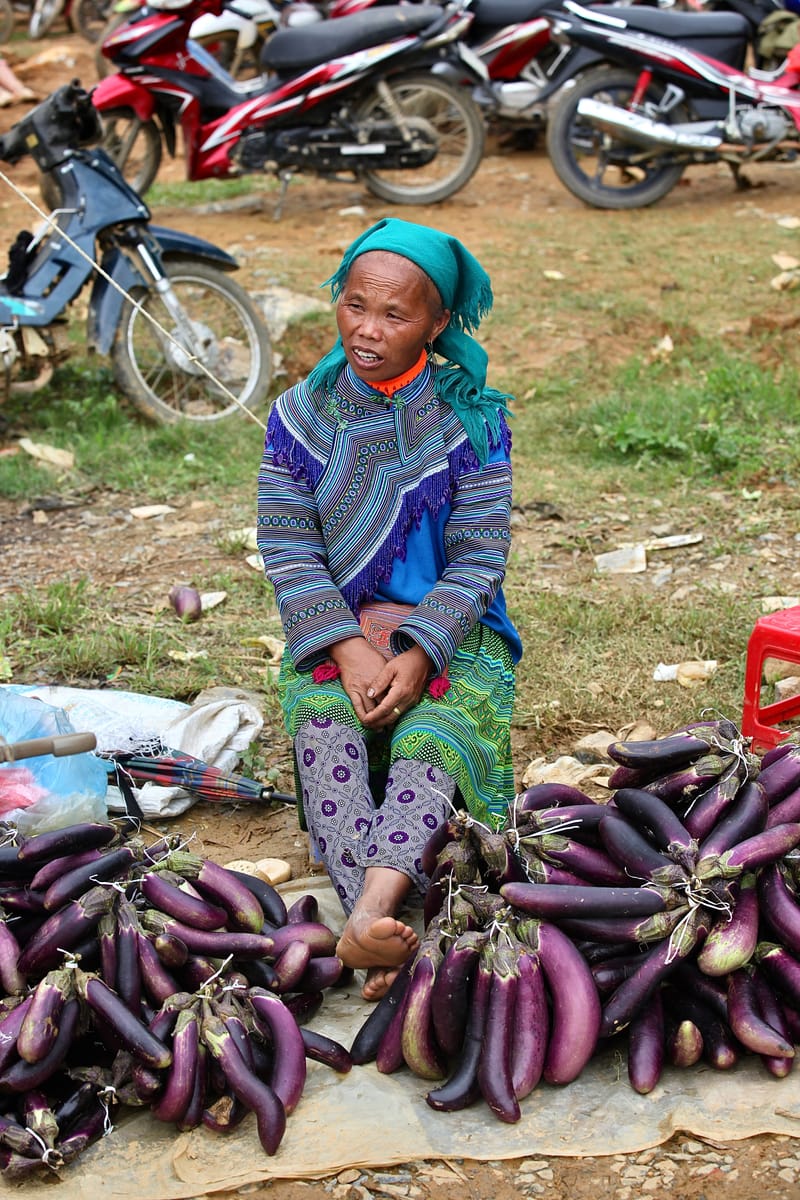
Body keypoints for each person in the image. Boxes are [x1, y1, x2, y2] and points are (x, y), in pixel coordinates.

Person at [257, 218, 522, 1000]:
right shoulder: (298, 417)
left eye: (396, 315)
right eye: (354, 304)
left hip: (453, 631)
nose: (368, 330)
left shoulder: (473, 420)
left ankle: (366, 915)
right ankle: (386, 927)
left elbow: (479, 556)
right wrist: (347, 648)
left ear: (438, 323)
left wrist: (416, 647)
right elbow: (289, 549)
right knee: (328, 730)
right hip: (334, 633)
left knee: (429, 740)